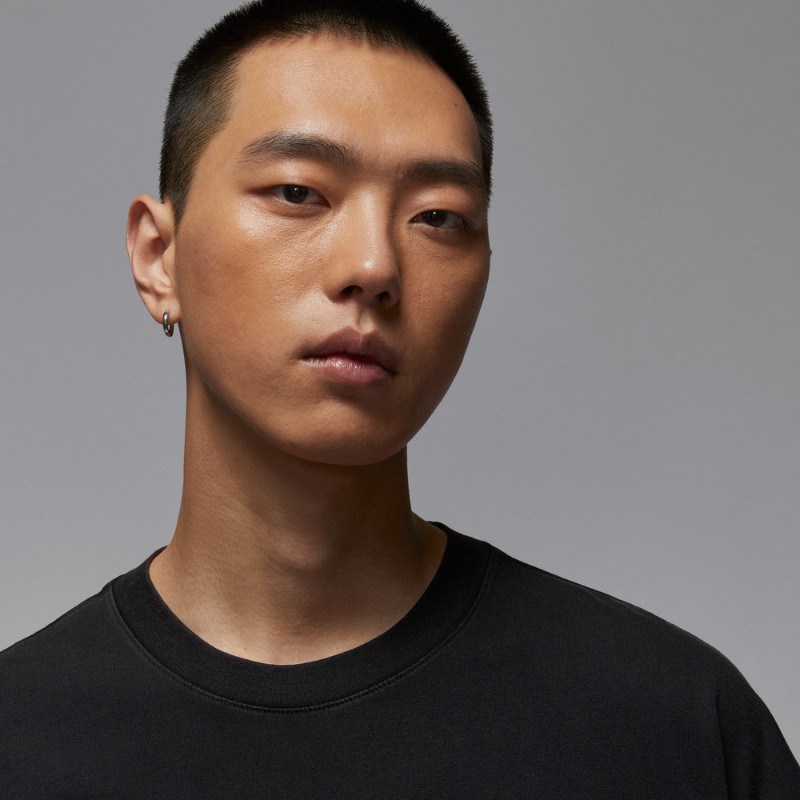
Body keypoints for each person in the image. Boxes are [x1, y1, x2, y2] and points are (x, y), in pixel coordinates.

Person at [1, 0, 798, 796]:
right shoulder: (21, 736)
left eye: (438, 216)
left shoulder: (675, 724)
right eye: (298, 192)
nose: (374, 265)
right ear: (158, 257)